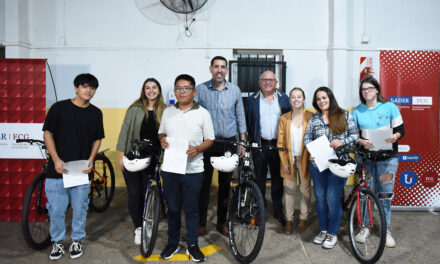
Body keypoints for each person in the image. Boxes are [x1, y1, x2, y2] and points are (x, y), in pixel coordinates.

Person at [43, 73, 104, 260]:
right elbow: (47, 134)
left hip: (80, 170)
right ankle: (58, 242)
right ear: (76, 87)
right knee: (56, 210)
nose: (89, 90)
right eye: (85, 86)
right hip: (57, 169)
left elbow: (97, 139)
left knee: (80, 208)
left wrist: (92, 159)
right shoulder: (59, 108)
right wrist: (55, 159)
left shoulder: (95, 113)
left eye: (92, 88)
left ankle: (77, 240)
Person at [158, 74, 214, 262]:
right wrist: (162, 140)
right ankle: (172, 242)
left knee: (191, 209)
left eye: (186, 88)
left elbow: (210, 139)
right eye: (179, 88)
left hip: (194, 170)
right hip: (171, 169)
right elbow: (161, 133)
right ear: (174, 91)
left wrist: (198, 149)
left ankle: (192, 244)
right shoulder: (168, 112)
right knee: (172, 208)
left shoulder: (203, 113)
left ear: (194, 91)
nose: (182, 92)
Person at [194, 56, 247, 236]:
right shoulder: (200, 90)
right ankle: (201, 222)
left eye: (222, 67)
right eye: (216, 66)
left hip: (228, 143)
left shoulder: (235, 90)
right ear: (210, 69)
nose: (219, 70)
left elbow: (240, 117)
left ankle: (222, 222)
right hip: (207, 143)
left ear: (226, 70)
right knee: (204, 185)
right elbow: (194, 116)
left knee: (225, 186)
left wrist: (242, 142)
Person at [304, 86, 359, 249]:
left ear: (330, 98)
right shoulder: (314, 118)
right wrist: (311, 152)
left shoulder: (344, 114)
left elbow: (355, 135)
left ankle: (332, 233)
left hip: (339, 164)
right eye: (318, 99)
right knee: (320, 197)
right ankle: (323, 230)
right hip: (318, 164)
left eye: (324, 97)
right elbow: (308, 138)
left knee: (332, 198)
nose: (321, 101)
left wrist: (343, 141)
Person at [352, 77, 404, 248]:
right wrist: (361, 141)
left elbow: (400, 130)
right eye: (363, 89)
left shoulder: (390, 107)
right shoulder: (357, 111)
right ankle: (365, 227)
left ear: (377, 90)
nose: (366, 91)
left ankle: (386, 229)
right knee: (366, 194)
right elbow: (353, 135)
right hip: (366, 159)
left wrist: (394, 137)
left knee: (384, 195)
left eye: (369, 88)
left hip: (387, 160)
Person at [116, 78, 165, 245]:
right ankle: (138, 227)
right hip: (134, 156)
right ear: (143, 91)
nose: (151, 90)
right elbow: (125, 131)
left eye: (154, 87)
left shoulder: (164, 110)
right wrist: (121, 154)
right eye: (147, 88)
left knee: (148, 194)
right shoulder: (134, 109)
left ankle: (147, 223)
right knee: (134, 193)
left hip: (153, 159)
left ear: (158, 90)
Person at [246, 71, 291, 226]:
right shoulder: (253, 99)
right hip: (259, 145)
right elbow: (247, 121)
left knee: (278, 180)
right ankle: (260, 210)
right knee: (259, 178)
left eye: (270, 80)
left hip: (278, 145)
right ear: (260, 82)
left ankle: (278, 209)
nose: (267, 82)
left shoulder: (284, 98)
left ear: (276, 82)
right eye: (264, 80)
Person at [277, 87, 313, 234]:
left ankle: (304, 217)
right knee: (289, 189)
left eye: (299, 97)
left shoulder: (311, 116)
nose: (296, 99)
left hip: (305, 158)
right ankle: (289, 220)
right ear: (290, 100)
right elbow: (280, 144)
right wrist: (285, 163)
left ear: (304, 99)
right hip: (289, 159)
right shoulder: (284, 118)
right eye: (293, 97)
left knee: (305, 188)